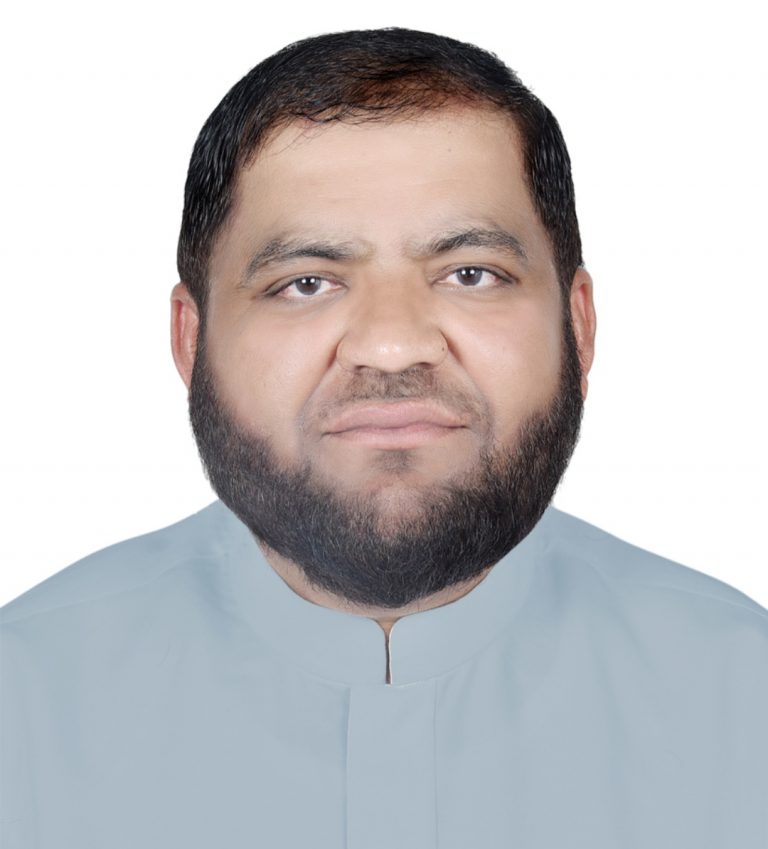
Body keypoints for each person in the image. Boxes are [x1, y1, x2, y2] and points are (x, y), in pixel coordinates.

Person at [1, 26, 766, 849]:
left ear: (578, 326)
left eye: (471, 273)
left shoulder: (743, 697)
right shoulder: (25, 703)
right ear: (192, 340)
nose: (393, 345)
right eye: (306, 282)